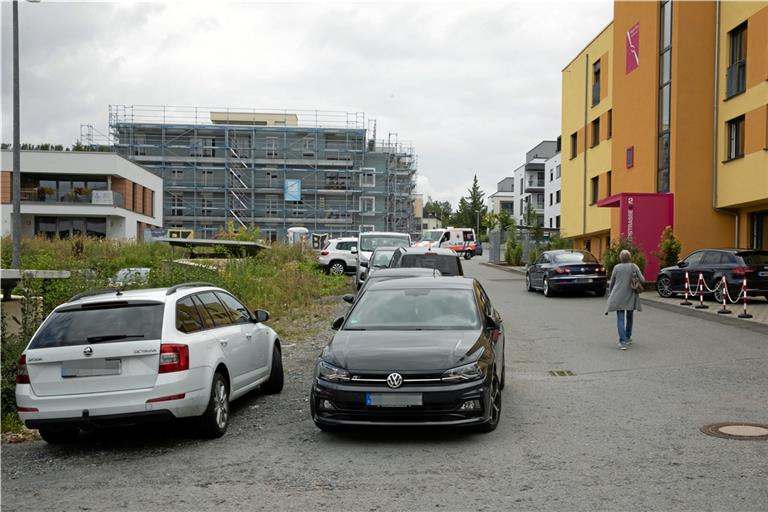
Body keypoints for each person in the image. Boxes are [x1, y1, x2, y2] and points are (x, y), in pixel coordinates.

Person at [605, 249, 645, 350]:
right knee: (630, 317)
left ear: (620, 258)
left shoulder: (616, 267)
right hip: (631, 295)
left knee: (620, 318)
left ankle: (622, 342)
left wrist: (610, 294)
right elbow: (643, 280)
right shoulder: (634, 266)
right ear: (629, 257)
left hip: (618, 295)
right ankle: (627, 337)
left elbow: (612, 283)